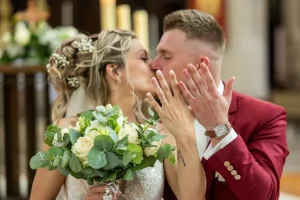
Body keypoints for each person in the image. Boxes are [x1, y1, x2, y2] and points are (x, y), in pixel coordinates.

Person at [30, 29, 206, 200]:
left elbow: (193, 197)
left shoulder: (161, 134)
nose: (153, 64)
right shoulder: (67, 131)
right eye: (143, 57)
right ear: (114, 71)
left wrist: (185, 135)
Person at [148, 9, 289, 200]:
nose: (154, 64)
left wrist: (219, 129)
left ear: (200, 65)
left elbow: (265, 196)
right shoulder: (151, 114)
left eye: (165, 56)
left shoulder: (265, 117)